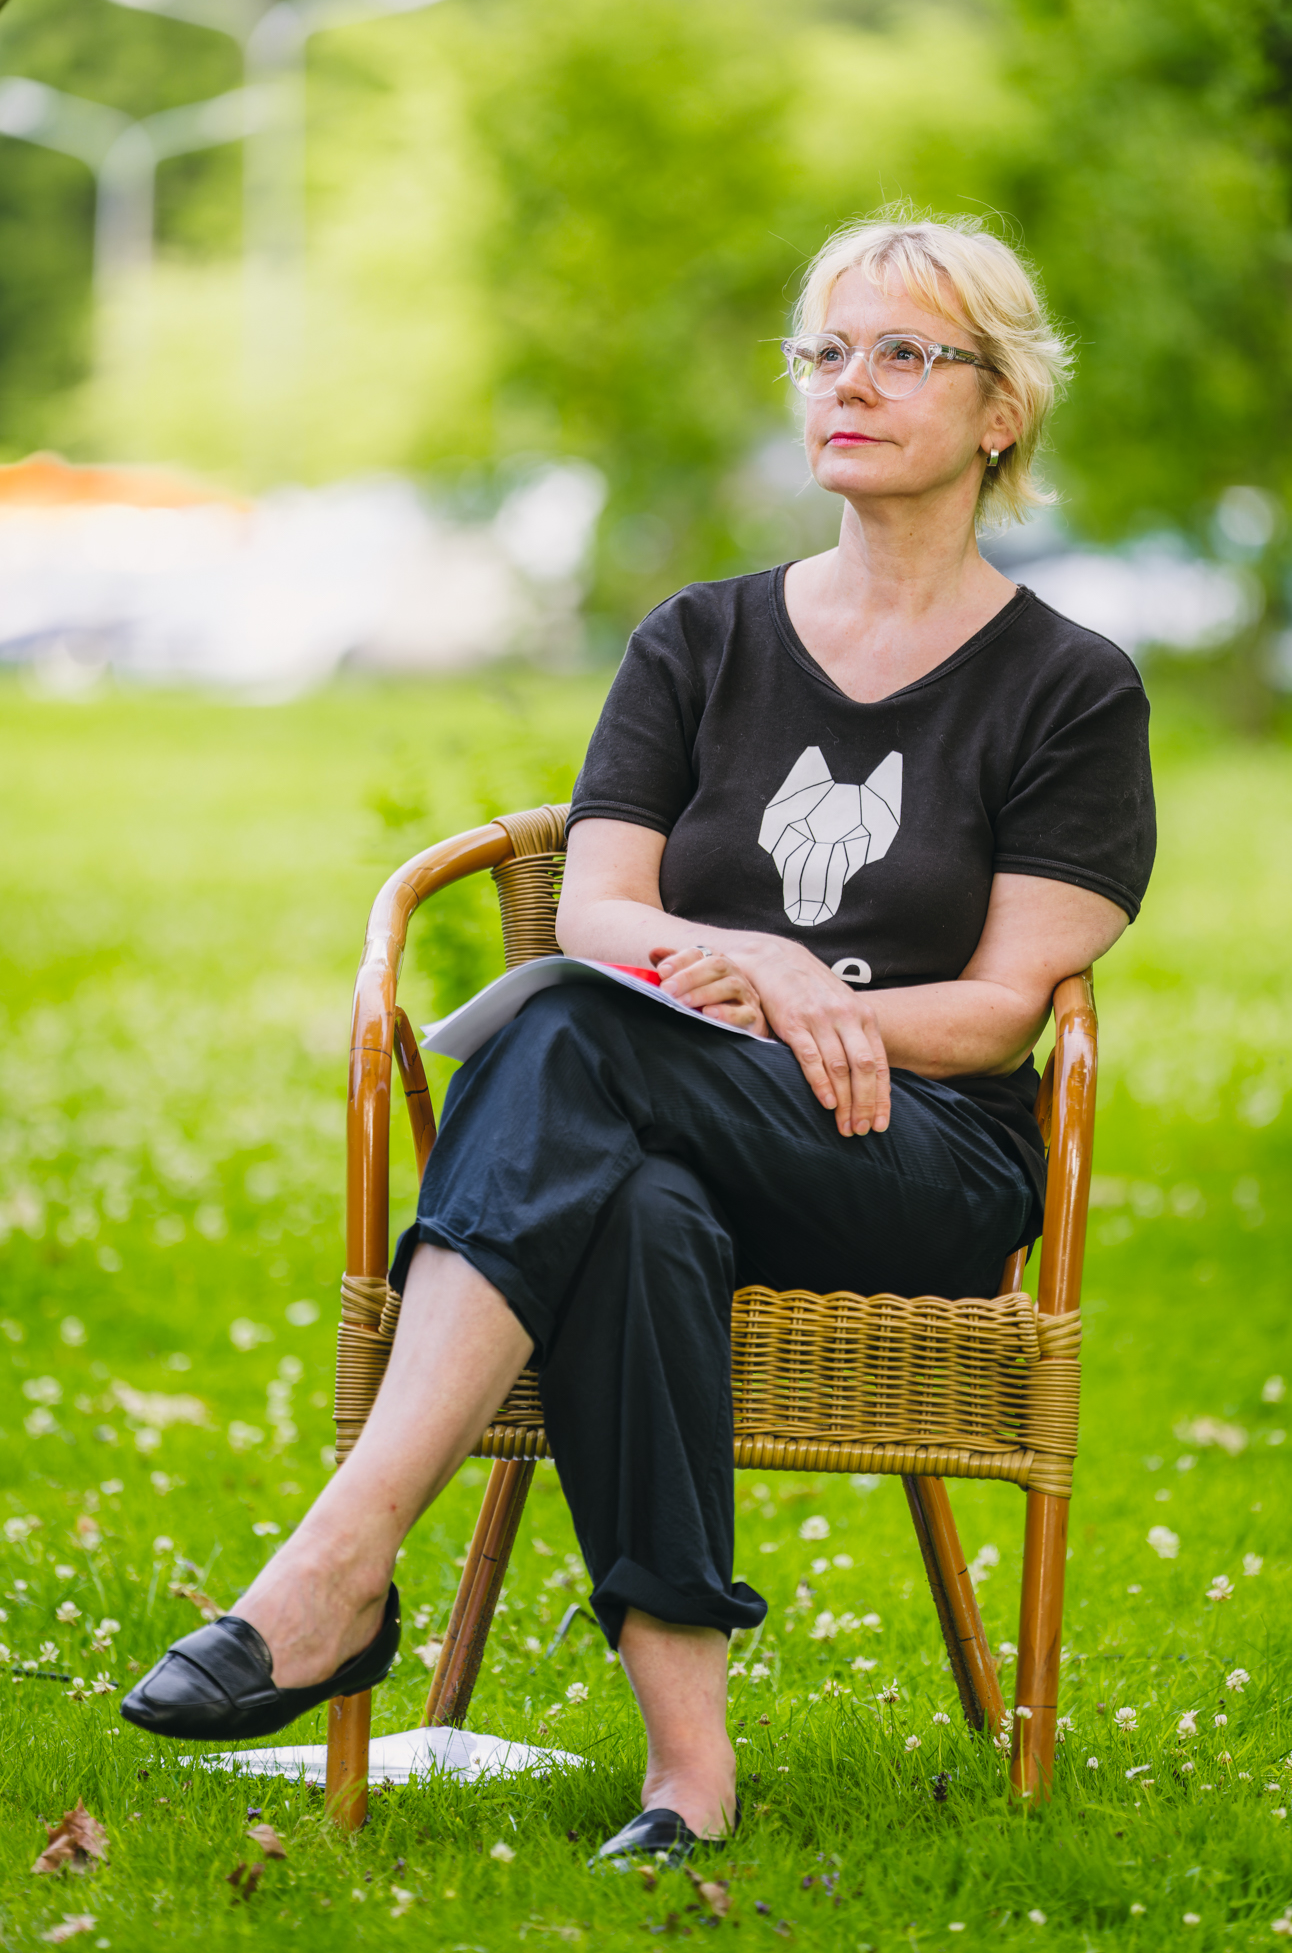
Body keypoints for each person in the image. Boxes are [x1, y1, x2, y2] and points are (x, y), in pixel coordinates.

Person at [122, 210, 1156, 1866]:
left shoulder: (1068, 687)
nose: (848, 383)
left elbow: (994, 1013)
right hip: (676, 1114)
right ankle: (688, 1775)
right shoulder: (701, 639)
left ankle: (338, 1562)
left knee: (568, 1045)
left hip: (909, 1155)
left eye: (904, 353)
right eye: (825, 350)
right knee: (632, 1199)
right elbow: (601, 909)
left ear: (1000, 408)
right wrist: (754, 960)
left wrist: (821, 1005)